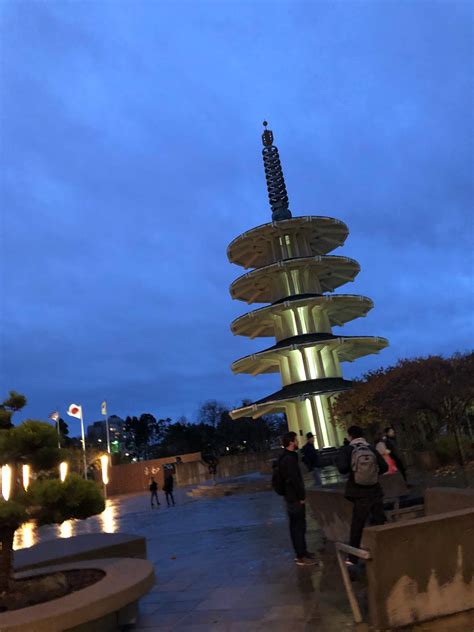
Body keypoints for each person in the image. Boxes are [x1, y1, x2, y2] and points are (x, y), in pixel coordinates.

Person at [336, 426, 388, 564]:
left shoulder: (348, 450)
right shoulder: (370, 448)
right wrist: (372, 474)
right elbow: (384, 467)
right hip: (375, 491)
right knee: (379, 522)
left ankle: (353, 559)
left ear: (350, 436)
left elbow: (342, 469)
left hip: (358, 493)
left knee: (357, 525)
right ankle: (384, 552)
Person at [277, 431, 317, 566]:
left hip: (289, 497)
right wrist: (301, 496)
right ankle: (301, 555)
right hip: (294, 498)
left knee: (296, 526)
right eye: (295, 440)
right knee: (299, 527)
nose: (298, 442)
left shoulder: (284, 457)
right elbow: (295, 480)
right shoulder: (289, 459)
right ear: (291, 442)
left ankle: (302, 552)